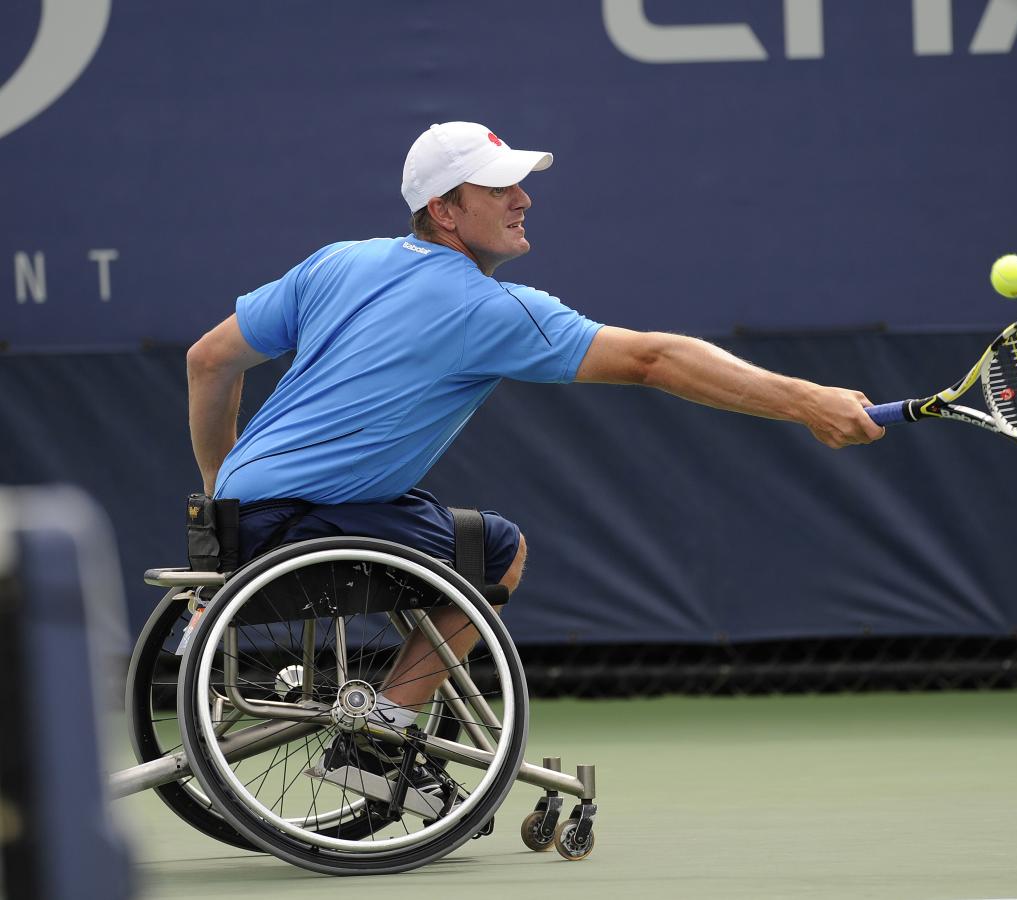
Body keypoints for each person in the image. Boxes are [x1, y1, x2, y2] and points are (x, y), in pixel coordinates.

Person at [186, 121, 884, 799]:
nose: (522, 199)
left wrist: (224, 491)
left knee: (441, 534)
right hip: (308, 526)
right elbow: (653, 359)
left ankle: (385, 720)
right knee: (498, 551)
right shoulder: (483, 308)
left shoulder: (338, 261)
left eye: (519, 183)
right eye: (498, 189)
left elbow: (208, 360)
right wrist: (810, 401)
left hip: (238, 524)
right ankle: (370, 745)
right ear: (445, 210)